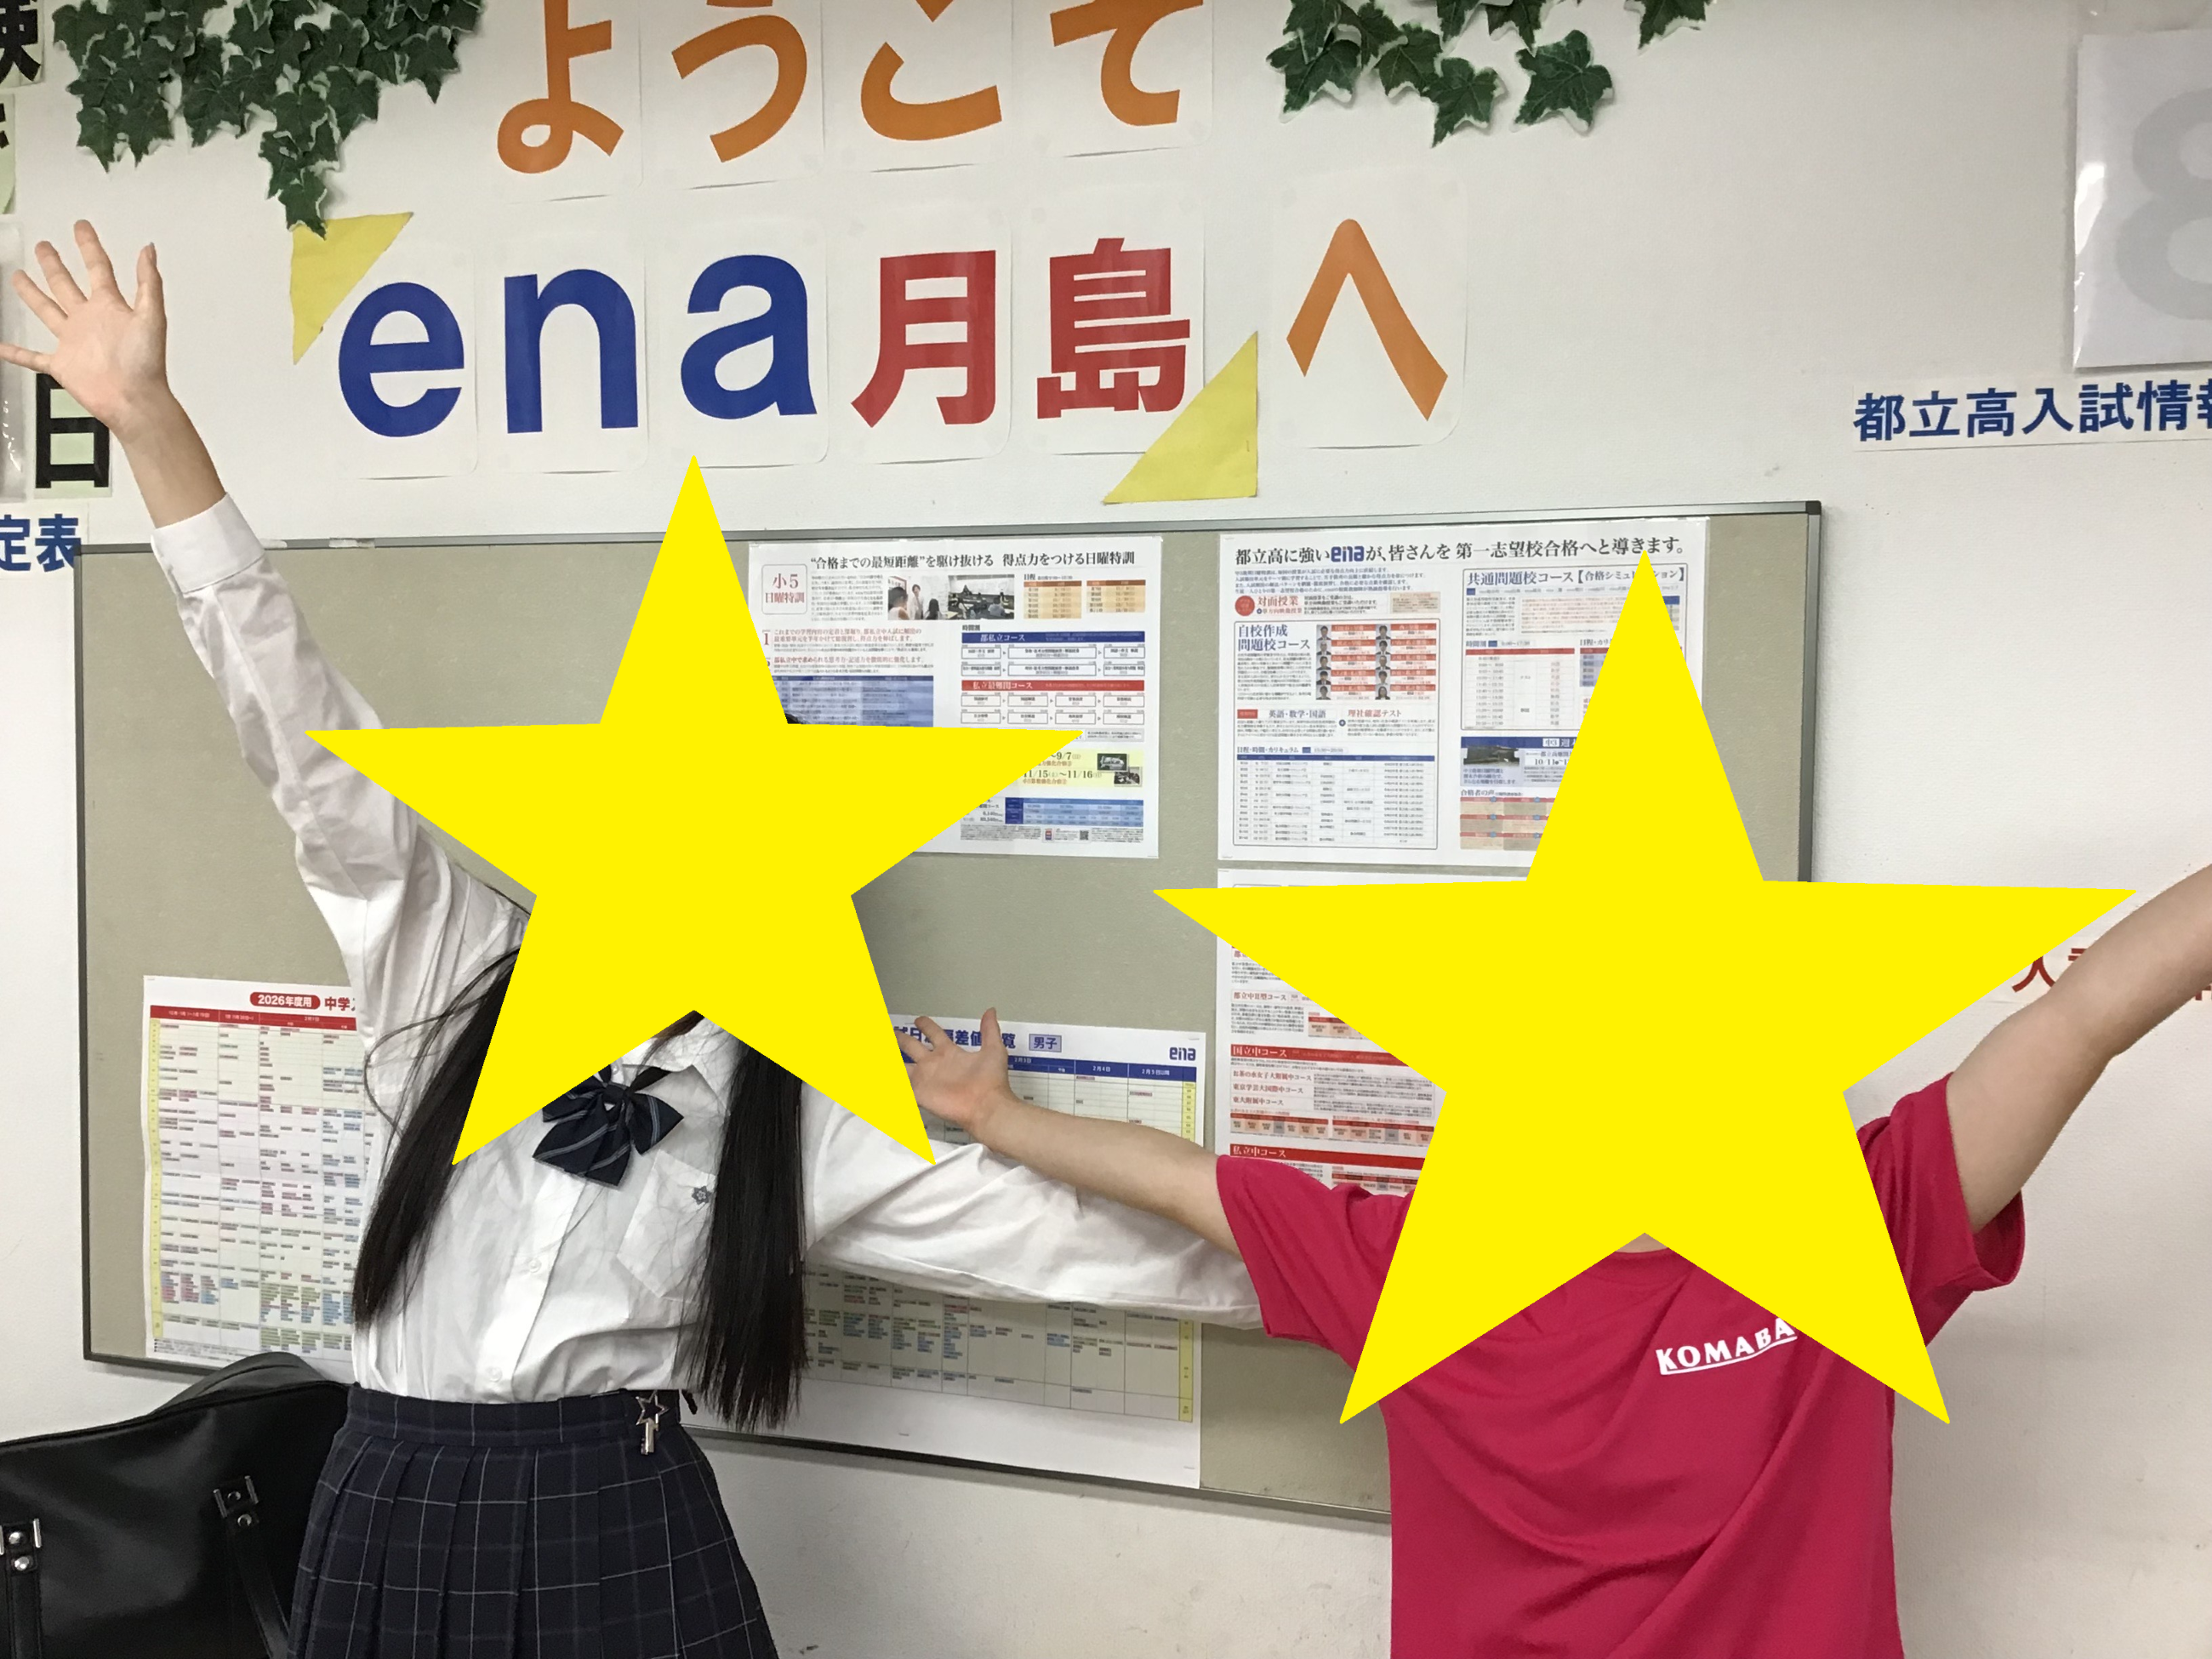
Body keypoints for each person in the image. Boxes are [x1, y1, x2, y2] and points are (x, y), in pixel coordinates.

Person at [3, 224, 1259, 1659]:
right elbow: (304, 741)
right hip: (386, 1502)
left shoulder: (795, 1117)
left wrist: (1376, 1276)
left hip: (618, 1527)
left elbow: (1066, 1250)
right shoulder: (445, 969)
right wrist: (154, 428)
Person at [904, 874, 2212, 1654]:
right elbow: (2096, 1007)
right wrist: (997, 1117)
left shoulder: (1415, 1268)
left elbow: (1179, 1179)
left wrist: (997, 1117)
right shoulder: (1855, 1226)